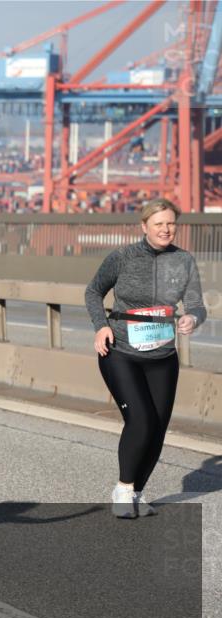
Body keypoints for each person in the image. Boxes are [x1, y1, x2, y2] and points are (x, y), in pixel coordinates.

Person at [85, 198, 206, 519]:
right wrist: (101, 327)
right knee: (141, 420)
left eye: (170, 224)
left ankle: (138, 491)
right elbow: (93, 291)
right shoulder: (122, 257)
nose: (166, 229)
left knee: (158, 428)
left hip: (163, 355)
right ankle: (123, 489)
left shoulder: (184, 260)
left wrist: (192, 318)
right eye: (159, 224)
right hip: (121, 351)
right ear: (144, 227)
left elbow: (196, 303)